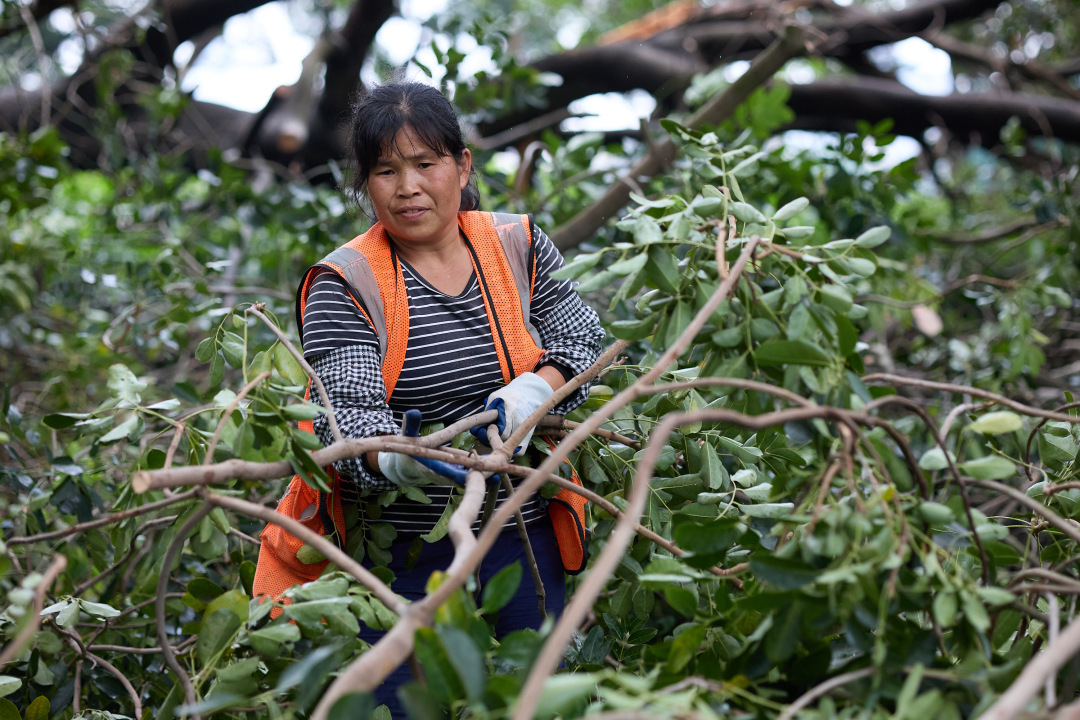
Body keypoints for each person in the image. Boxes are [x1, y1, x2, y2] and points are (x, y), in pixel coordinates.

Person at [252, 81, 604, 717]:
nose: (407, 187)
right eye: (386, 170)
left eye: (425, 163)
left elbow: (584, 340)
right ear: (365, 183)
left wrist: (536, 389)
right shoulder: (346, 280)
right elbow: (348, 420)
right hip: (400, 556)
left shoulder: (515, 242)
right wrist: (399, 459)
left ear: (462, 166)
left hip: (523, 535)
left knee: (539, 701)